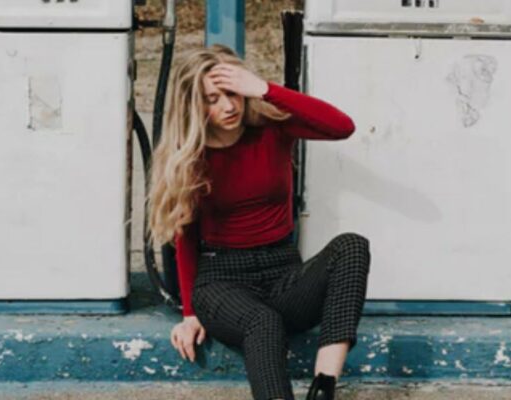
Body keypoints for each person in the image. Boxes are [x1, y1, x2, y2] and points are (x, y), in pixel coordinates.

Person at [147, 44, 371, 400]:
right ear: (193, 105)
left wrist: (266, 89)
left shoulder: (272, 129)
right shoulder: (190, 156)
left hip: (283, 272)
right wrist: (190, 312)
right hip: (222, 282)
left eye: (233, 93)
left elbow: (341, 127)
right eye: (213, 98)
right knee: (263, 323)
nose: (229, 106)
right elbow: (184, 237)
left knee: (352, 246)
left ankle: (323, 387)